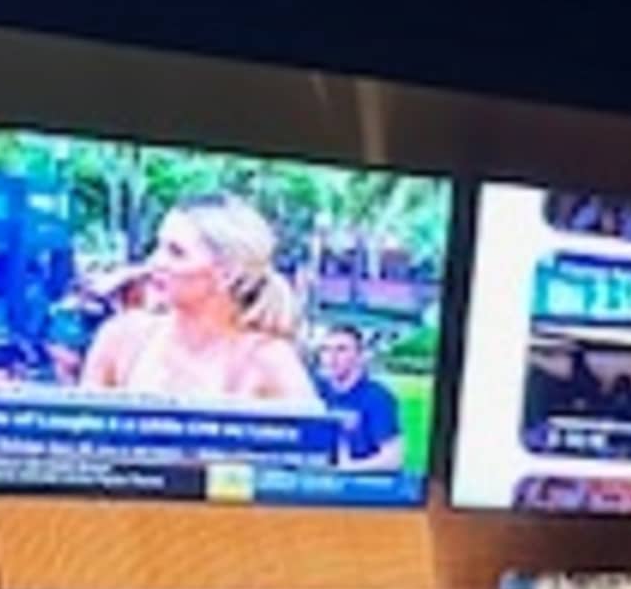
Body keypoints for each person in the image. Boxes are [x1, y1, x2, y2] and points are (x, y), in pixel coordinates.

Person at [81, 198, 320, 407]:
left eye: (176, 252)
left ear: (227, 272)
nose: (155, 262)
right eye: (158, 246)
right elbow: (78, 438)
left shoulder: (269, 359)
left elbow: (317, 447)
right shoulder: (122, 337)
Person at [310, 322, 406, 469]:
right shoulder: (314, 391)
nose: (331, 357)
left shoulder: (377, 397)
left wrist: (348, 469)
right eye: (325, 350)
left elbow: (393, 459)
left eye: (341, 350)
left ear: (360, 356)